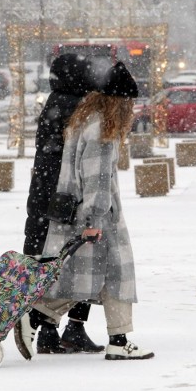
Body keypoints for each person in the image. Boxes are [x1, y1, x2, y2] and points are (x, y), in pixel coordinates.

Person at [17, 61, 154, 361]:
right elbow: (97, 178)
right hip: (98, 217)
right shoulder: (103, 129)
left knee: (96, 278)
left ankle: (118, 339)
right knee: (93, 277)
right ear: (119, 100)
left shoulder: (84, 119)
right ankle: (37, 313)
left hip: (77, 212)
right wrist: (93, 219)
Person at [15, 53, 104, 358]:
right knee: (80, 258)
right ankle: (72, 329)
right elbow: (80, 155)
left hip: (42, 193)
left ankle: (50, 332)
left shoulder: (55, 101)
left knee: (48, 260)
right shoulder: (80, 106)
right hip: (65, 196)